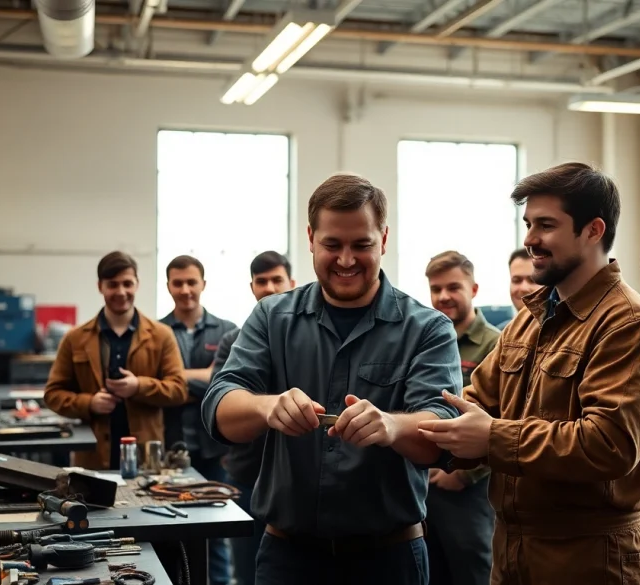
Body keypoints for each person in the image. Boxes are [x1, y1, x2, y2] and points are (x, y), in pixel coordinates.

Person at [418, 162, 640, 584]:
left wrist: (492, 437)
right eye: (528, 224)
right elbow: (475, 402)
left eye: (546, 225)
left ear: (593, 230)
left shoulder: (628, 325)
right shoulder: (530, 319)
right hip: (515, 550)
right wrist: (396, 424)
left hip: (590, 558)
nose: (529, 239)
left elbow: (609, 444)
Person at [201, 173, 463, 585]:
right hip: (288, 561)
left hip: (389, 562)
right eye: (332, 244)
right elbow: (220, 408)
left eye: (361, 245)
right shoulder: (271, 318)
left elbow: (444, 431)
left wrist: (392, 426)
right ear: (310, 238)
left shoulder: (427, 329)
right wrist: (267, 407)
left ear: (384, 240)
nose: (345, 260)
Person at [45, 251, 187, 470]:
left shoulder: (161, 336)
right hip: (93, 458)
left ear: (137, 284)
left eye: (127, 284)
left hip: (146, 460)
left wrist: (138, 386)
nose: (121, 292)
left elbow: (179, 390)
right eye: (112, 284)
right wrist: (90, 403)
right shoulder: (75, 338)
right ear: (100, 286)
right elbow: (53, 395)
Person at [210, 250, 296, 585]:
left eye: (277, 280)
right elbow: (219, 402)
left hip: (297, 481)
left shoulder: (310, 339)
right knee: (246, 572)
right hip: (246, 476)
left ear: (292, 283)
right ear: (252, 287)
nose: (269, 287)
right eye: (262, 281)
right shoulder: (233, 341)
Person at [159, 254, 239, 585]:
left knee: (215, 531)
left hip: (214, 450)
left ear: (203, 284)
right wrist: (202, 379)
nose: (185, 289)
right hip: (169, 449)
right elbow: (155, 385)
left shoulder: (227, 331)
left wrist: (174, 380)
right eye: (178, 283)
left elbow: (222, 382)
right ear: (168, 286)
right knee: (168, 531)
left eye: (191, 282)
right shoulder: (156, 331)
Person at [423, 251, 497, 585]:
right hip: (426, 485)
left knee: (473, 573)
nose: (443, 296)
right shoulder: (425, 343)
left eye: (453, 287)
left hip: (470, 489)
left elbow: (506, 419)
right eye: (436, 288)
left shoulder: (495, 344)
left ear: (474, 289)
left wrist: (465, 475)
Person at [497, 248, 541, 329]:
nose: (523, 288)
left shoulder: (560, 332)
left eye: (532, 280)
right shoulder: (502, 332)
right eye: (516, 280)